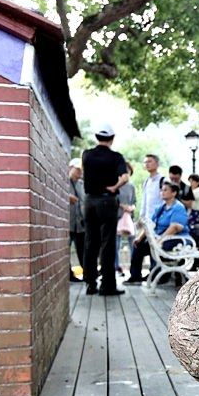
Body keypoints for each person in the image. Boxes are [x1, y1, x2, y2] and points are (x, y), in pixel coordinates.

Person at [81, 123, 129, 296]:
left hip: (89, 202)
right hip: (107, 201)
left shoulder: (86, 155)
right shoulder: (116, 157)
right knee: (107, 244)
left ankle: (90, 283)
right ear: (112, 138)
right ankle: (107, 286)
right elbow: (125, 177)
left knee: (90, 242)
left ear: (96, 137)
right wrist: (114, 187)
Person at [126, 179, 193, 285]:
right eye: (161, 190)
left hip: (176, 239)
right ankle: (135, 276)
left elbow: (175, 227)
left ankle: (159, 275)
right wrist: (139, 238)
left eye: (165, 190)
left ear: (174, 193)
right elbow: (150, 225)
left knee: (156, 245)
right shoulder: (160, 208)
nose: (162, 192)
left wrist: (160, 240)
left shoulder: (178, 207)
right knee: (138, 245)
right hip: (160, 238)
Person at [115, 161, 136, 275]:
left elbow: (134, 202)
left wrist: (131, 208)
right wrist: (122, 206)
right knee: (116, 244)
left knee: (132, 242)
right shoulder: (116, 185)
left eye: (128, 171)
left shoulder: (131, 187)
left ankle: (133, 269)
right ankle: (117, 267)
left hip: (129, 218)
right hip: (117, 216)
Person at [67, 158, 85, 283]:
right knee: (65, 250)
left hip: (81, 224)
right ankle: (69, 274)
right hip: (67, 223)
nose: (80, 172)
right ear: (70, 168)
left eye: (81, 170)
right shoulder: (63, 183)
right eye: (77, 169)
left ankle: (89, 273)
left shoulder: (82, 185)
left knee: (83, 250)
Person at [141, 154, 165, 226]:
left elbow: (165, 201)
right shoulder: (146, 181)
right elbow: (144, 202)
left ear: (157, 164)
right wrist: (142, 217)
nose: (147, 164)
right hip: (147, 220)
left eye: (149, 161)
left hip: (159, 219)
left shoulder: (163, 180)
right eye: (145, 162)